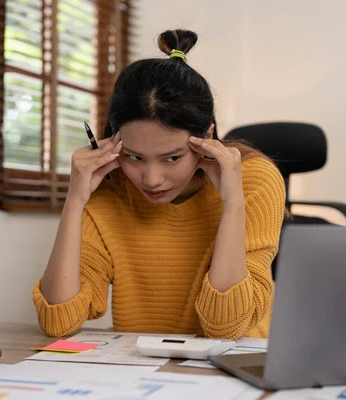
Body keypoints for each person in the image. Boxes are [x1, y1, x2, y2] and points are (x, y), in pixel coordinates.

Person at [32, 29, 286, 340]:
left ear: (206, 137)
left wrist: (232, 203)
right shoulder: (108, 189)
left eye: (171, 158)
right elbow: (58, 323)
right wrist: (75, 201)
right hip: (141, 373)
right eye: (134, 156)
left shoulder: (254, 180)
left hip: (236, 370)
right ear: (114, 142)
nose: (151, 180)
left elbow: (228, 327)